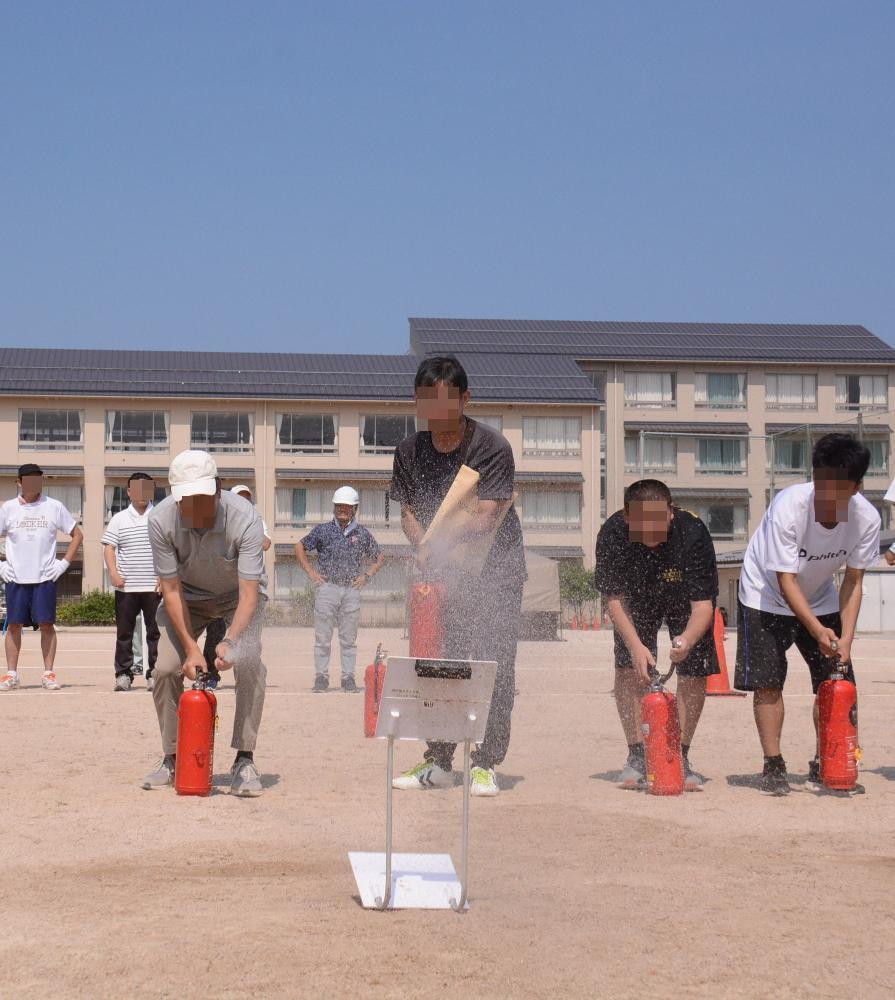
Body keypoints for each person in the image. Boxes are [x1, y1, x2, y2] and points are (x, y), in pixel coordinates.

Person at [389, 355, 526, 797]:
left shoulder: (491, 447)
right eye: (426, 403)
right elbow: (408, 514)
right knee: (439, 663)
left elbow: (487, 516)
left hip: (495, 572)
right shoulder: (409, 451)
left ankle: (485, 761)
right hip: (440, 573)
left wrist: (437, 540)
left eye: (446, 402)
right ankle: (439, 758)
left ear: (466, 399)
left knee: (491, 663)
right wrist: (422, 545)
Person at [735, 433, 880, 795]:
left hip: (820, 595)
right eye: (821, 485)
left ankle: (826, 759)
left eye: (837, 489)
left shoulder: (866, 518)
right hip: (764, 594)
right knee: (769, 681)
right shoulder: (790, 505)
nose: (826, 497)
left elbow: (853, 582)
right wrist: (816, 630)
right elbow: (785, 580)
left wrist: (845, 639)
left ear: (857, 487)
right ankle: (773, 764)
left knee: (837, 682)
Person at [141, 450, 268, 797]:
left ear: (218, 489)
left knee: (251, 662)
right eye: (187, 500)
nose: (195, 508)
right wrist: (193, 648)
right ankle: (171, 756)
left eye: (203, 498)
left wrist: (229, 641)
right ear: (174, 496)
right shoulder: (161, 521)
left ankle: (244, 758)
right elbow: (169, 589)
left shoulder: (245, 518)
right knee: (166, 668)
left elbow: (249, 596)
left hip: (236, 599)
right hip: (187, 599)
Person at [595, 479, 719, 791]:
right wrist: (635, 645)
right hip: (636, 598)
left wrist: (687, 640)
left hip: (682, 598)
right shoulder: (612, 533)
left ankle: (680, 754)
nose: (651, 531)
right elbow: (614, 599)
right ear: (627, 517)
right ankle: (637, 753)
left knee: (694, 671)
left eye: (658, 521)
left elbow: (703, 606)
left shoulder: (693, 533)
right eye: (642, 523)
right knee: (628, 668)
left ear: (670, 513)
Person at [0, 464, 83, 691]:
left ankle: (48, 673)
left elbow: (77, 535)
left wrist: (64, 564)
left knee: (47, 625)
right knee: (14, 626)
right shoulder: (8, 508)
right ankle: (11, 674)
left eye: (37, 479)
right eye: (28, 480)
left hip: (45, 577)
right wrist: (1, 566)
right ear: (19, 482)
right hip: (16, 577)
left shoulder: (54, 507)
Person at [295, 485, 384, 692]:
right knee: (322, 638)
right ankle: (321, 678)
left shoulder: (362, 533)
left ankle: (348, 678)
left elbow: (379, 556)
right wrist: (311, 572)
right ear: (334, 507)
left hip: (351, 590)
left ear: (355, 509)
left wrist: (367, 576)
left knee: (349, 639)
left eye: (347, 506)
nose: (342, 510)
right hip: (327, 589)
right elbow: (299, 546)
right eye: (339, 506)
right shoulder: (323, 530)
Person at [201, 485, 271, 689]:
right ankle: (210, 675)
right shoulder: (222, 521)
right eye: (239, 497)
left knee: (249, 640)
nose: (243, 501)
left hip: (251, 589)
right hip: (220, 589)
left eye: (247, 498)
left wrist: (248, 535)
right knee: (214, 635)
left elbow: (265, 543)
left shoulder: (255, 519)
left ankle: (247, 679)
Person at [102, 472, 161, 692]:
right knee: (124, 633)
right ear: (129, 492)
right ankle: (124, 674)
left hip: (154, 586)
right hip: (126, 587)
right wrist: (114, 574)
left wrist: (164, 577)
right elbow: (109, 548)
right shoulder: (119, 519)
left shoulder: (160, 517)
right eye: (136, 488)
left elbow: (169, 549)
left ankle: (154, 673)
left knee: (156, 634)